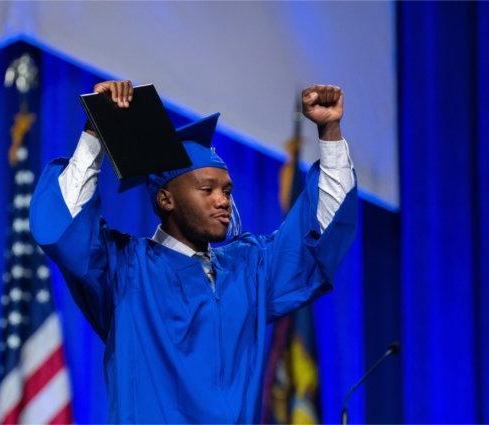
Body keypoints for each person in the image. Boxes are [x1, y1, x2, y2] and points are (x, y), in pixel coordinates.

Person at [30, 80, 357, 423]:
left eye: (227, 190)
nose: (223, 200)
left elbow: (316, 237)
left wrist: (330, 131)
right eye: (208, 189)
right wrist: (95, 130)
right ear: (166, 199)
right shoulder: (125, 270)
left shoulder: (248, 271)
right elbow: (64, 227)